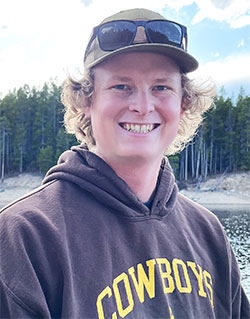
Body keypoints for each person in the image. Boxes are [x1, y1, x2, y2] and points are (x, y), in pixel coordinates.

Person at [0, 7, 249, 319]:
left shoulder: (208, 233)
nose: (143, 107)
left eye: (161, 87)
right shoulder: (24, 236)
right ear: (87, 101)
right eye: (121, 86)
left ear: (184, 103)